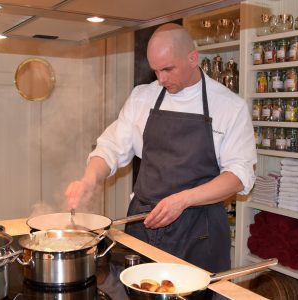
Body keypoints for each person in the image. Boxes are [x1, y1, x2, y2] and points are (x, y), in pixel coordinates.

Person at [65, 23, 256, 273]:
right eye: (156, 70)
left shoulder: (229, 107)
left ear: (192, 58)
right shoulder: (142, 97)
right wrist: (89, 179)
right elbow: (110, 147)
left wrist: (184, 199)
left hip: (199, 234)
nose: (161, 79)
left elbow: (239, 176)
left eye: (168, 69)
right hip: (142, 225)